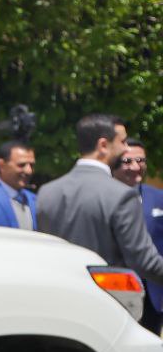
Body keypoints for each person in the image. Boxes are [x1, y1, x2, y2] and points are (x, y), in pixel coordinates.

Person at [37, 115, 163, 296]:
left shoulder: (47, 192)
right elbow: (144, 262)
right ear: (103, 145)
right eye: (123, 141)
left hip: (60, 298)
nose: (126, 148)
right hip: (107, 304)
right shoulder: (122, 195)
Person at [113, 139, 163, 333]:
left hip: (153, 294)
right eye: (127, 161)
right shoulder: (104, 198)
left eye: (140, 160)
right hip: (116, 289)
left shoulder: (159, 198)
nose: (135, 166)